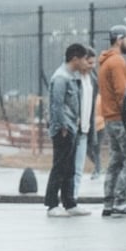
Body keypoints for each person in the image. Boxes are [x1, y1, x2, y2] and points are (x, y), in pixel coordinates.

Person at [45, 43, 92, 217]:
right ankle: (52, 204)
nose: (85, 63)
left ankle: (69, 202)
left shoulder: (71, 77)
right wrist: (62, 126)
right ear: (75, 58)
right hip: (63, 129)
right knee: (59, 166)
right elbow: (56, 105)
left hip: (72, 127)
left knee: (70, 167)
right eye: (83, 59)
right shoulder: (61, 78)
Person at [98, 25, 126, 217]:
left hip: (109, 117)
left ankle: (108, 201)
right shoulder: (117, 62)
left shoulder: (104, 62)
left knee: (115, 160)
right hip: (120, 117)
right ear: (120, 39)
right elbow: (123, 93)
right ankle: (120, 200)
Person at [73, 47, 98, 198]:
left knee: (78, 168)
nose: (91, 66)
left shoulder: (93, 80)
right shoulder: (73, 78)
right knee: (67, 168)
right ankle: (65, 198)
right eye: (89, 62)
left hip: (85, 129)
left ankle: (73, 198)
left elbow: (92, 107)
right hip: (72, 128)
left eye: (94, 63)